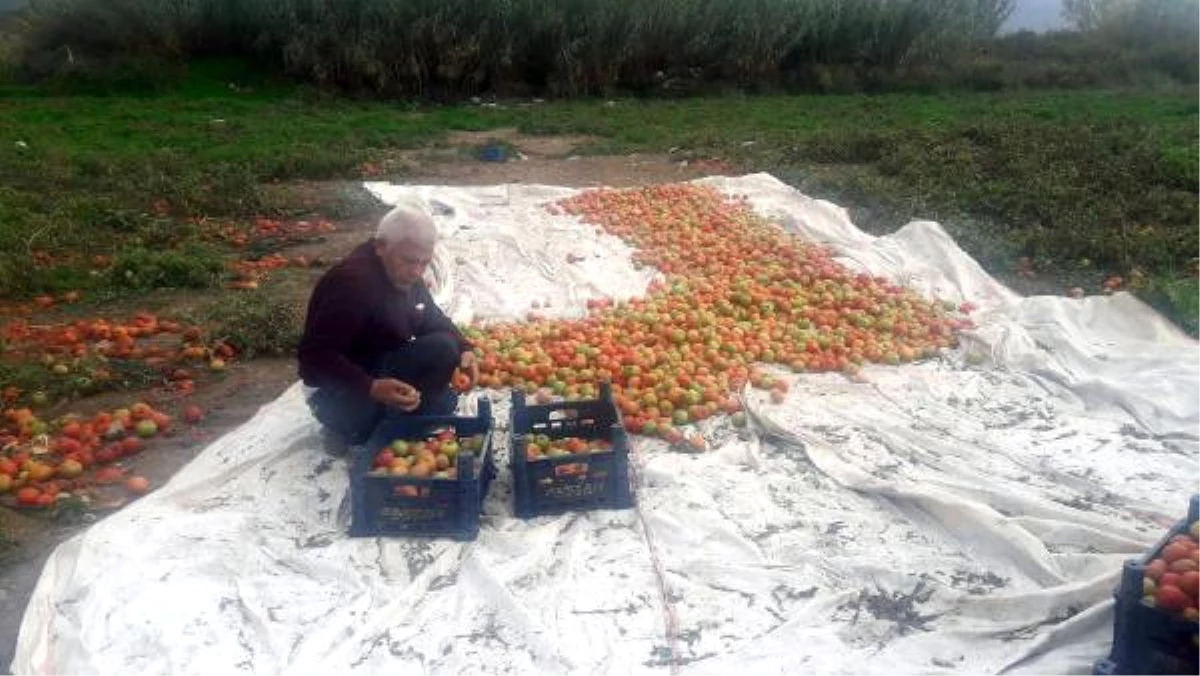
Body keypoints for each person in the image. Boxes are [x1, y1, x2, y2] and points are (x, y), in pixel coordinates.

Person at [298, 198, 478, 448]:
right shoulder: (353, 285)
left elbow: (432, 319)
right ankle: (361, 425)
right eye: (409, 260)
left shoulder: (405, 274)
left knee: (446, 361)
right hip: (333, 393)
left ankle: (391, 420)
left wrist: (465, 348)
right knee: (438, 397)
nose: (417, 271)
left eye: (424, 262)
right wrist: (370, 387)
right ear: (380, 247)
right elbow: (313, 358)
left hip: (375, 363)